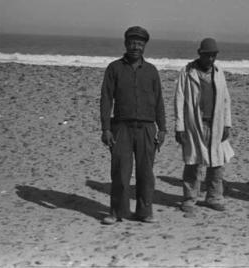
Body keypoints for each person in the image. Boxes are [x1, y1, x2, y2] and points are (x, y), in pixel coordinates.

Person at [100, 26, 167, 224]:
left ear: (145, 46)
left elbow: (159, 101)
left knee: (146, 174)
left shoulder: (152, 71)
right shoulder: (114, 68)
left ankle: (144, 212)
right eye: (132, 42)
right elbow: (106, 100)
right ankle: (116, 212)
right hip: (121, 128)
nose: (135, 46)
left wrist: (162, 128)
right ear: (126, 44)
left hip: (147, 129)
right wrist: (106, 129)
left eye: (140, 43)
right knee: (120, 172)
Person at [174, 37, 234, 214]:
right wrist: (180, 127)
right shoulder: (187, 72)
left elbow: (226, 99)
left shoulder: (218, 72)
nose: (210, 59)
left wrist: (227, 124)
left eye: (213, 56)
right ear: (200, 54)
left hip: (216, 123)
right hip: (194, 124)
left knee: (217, 163)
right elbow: (179, 100)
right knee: (193, 162)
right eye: (207, 55)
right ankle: (189, 199)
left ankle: (214, 197)